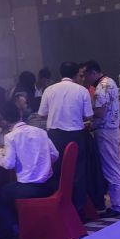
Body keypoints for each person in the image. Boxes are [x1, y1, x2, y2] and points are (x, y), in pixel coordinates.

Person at [0, 100, 57, 239]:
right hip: (49, 185)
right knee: (10, 190)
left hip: (28, 189)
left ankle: (15, 232)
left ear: (5, 119)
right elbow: (55, 154)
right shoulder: (40, 131)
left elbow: (9, 164)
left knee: (0, 194)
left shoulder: (11, 137)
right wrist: (43, 166)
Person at [37, 61, 93, 216]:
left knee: (56, 172)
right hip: (75, 135)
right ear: (76, 74)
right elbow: (89, 115)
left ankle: (59, 208)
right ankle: (78, 211)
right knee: (78, 173)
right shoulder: (81, 90)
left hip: (54, 136)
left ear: (60, 73)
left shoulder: (49, 90)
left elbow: (41, 114)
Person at [83, 61, 120, 218]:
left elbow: (100, 112)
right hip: (114, 128)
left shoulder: (100, 88)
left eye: (86, 75)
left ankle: (117, 206)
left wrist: (86, 115)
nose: (85, 79)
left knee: (111, 168)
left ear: (93, 72)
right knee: (118, 165)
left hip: (105, 130)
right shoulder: (110, 81)